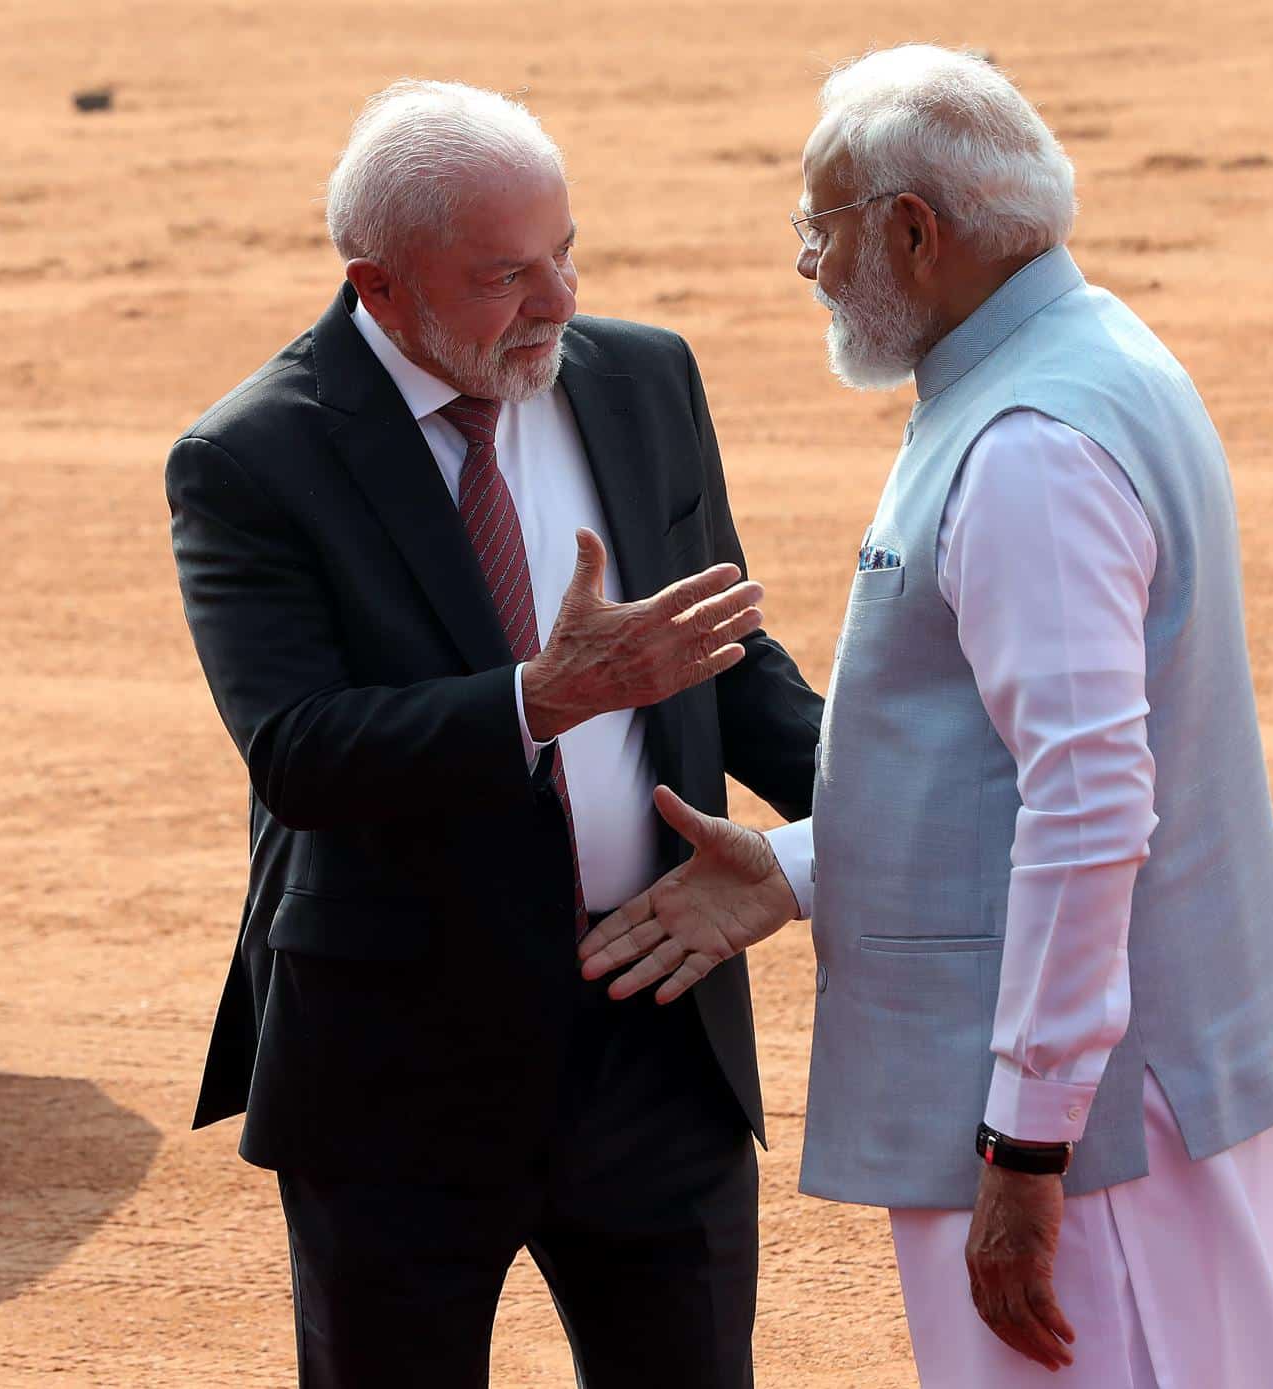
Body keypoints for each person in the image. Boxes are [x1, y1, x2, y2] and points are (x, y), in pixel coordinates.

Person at [580, 45, 1273, 1388]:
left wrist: (1025, 1140)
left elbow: (1085, 804)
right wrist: (795, 868)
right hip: (1173, 1091)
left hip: (1106, 1146)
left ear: (915, 229)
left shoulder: (1024, 447)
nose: (810, 268)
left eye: (822, 229)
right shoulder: (1096, 352)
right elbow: (1008, 778)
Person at [166, 79, 822, 1388]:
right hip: (399, 1074)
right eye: (507, 275)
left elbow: (723, 658)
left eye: (567, 252)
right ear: (383, 285)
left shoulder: (644, 379)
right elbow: (300, 752)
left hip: (655, 1032)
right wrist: (540, 697)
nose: (560, 302)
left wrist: (879, 798)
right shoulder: (252, 459)